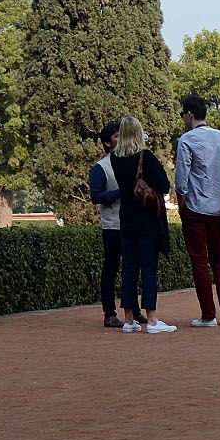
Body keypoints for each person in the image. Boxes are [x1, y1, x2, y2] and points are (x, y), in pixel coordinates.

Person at [174, 95, 220, 328]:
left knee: (199, 261)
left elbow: (182, 177)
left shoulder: (186, 140)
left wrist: (181, 202)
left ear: (189, 114)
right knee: (219, 259)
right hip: (218, 206)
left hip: (195, 206)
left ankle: (208, 315)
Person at [108, 116, 175, 333]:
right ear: (138, 133)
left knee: (129, 269)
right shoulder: (145, 157)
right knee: (148, 269)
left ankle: (128, 319)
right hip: (147, 219)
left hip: (126, 218)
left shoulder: (115, 158)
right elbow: (164, 185)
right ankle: (152, 319)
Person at [86, 122, 125, 328]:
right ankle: (109, 313)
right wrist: (120, 192)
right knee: (110, 269)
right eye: (117, 136)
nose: (121, 140)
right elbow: (96, 195)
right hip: (112, 226)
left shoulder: (133, 162)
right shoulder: (101, 167)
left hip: (132, 223)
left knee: (132, 270)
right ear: (107, 142)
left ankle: (133, 311)